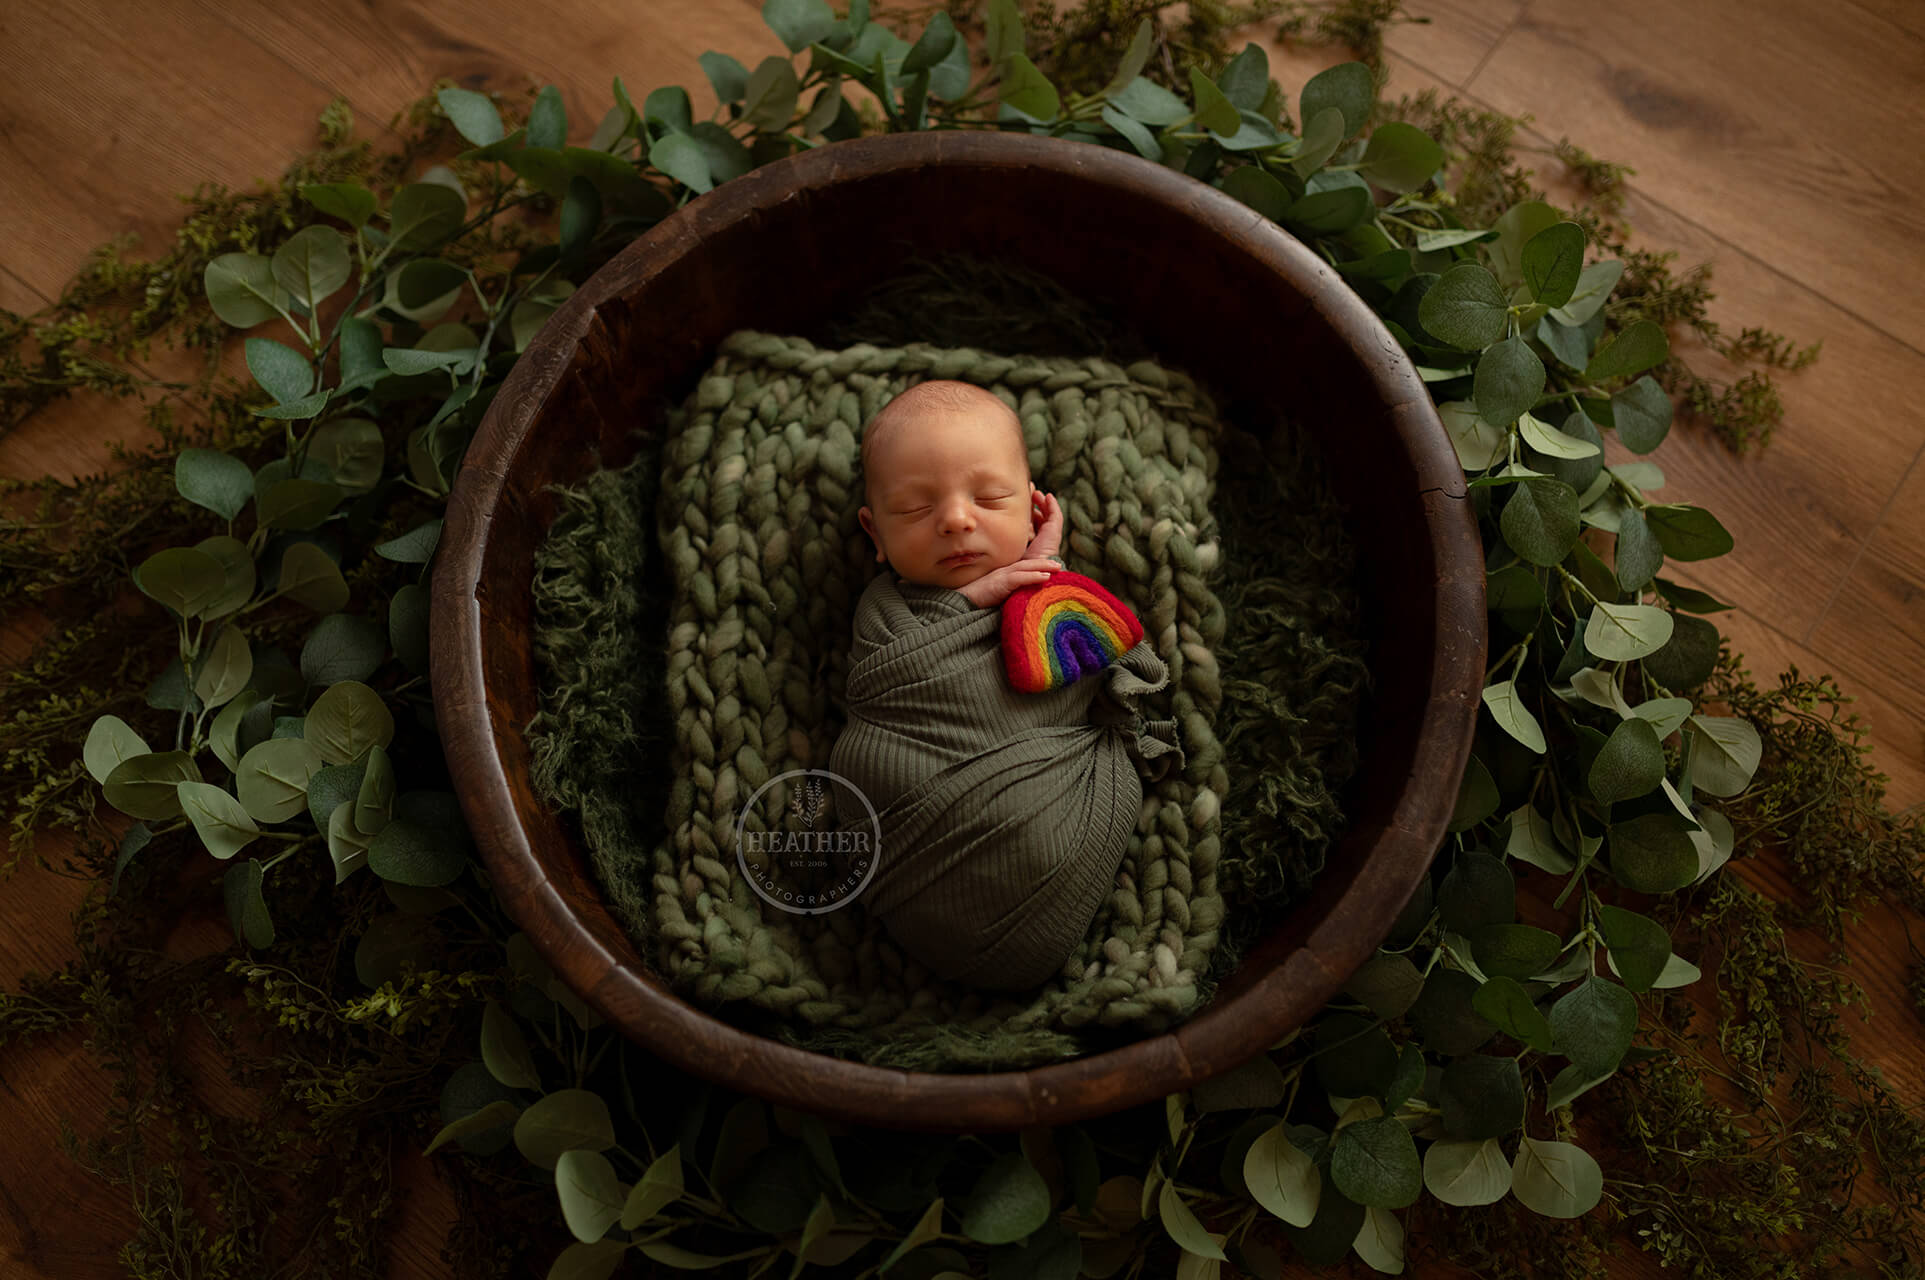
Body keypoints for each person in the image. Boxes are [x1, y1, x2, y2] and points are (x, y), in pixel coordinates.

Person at [825, 380, 1183, 991]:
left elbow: (1086, 666)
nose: (957, 520)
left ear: (1033, 511)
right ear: (875, 533)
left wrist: (1046, 570)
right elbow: (890, 689)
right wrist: (974, 599)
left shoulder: (1044, 597)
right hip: (914, 813)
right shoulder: (884, 609)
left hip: (1053, 817)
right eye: (914, 509)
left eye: (991, 499)